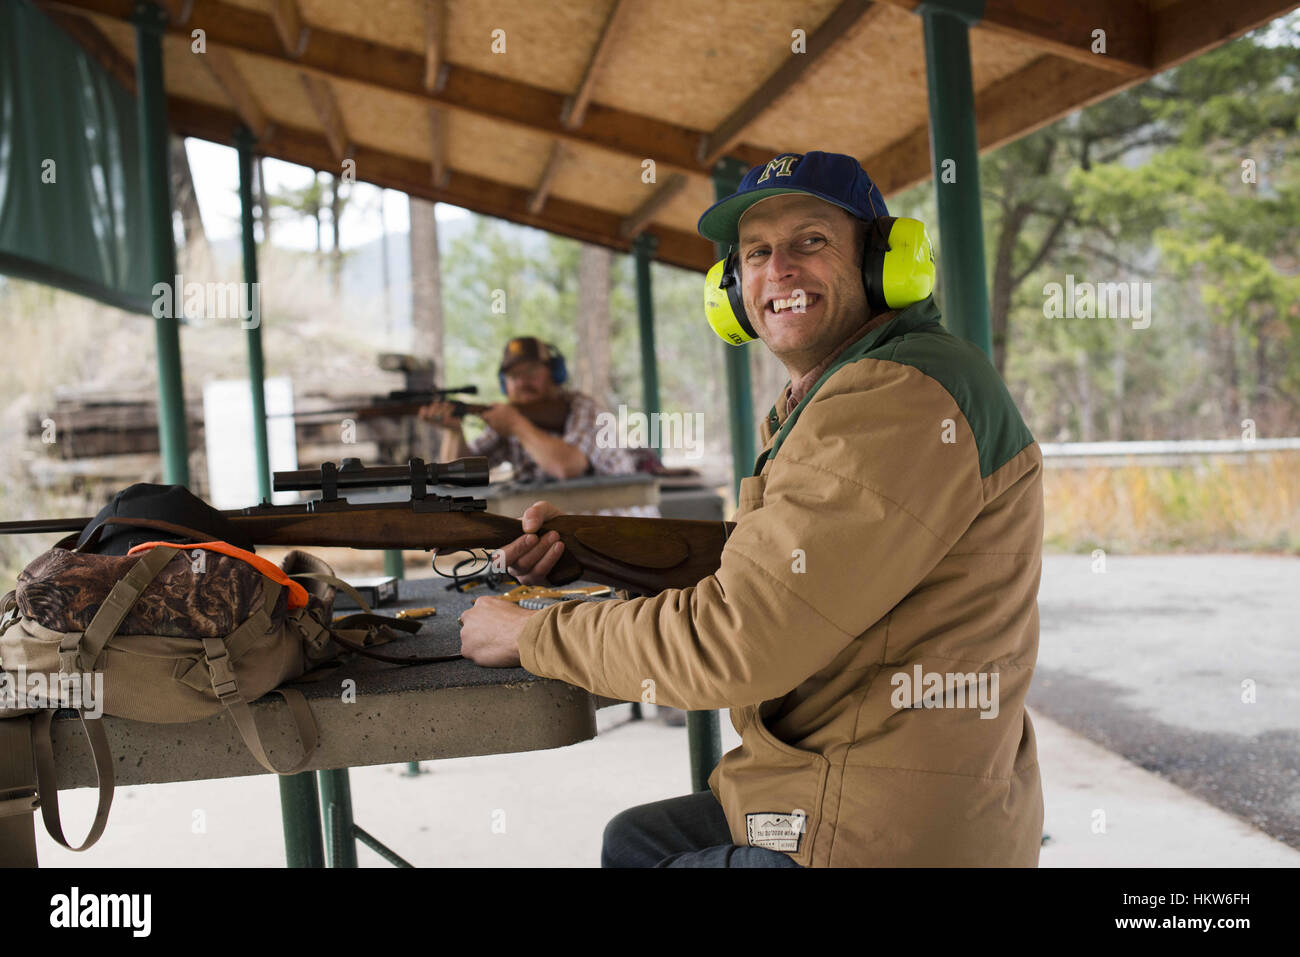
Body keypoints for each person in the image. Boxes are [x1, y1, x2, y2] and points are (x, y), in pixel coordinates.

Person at [457, 151, 1045, 867]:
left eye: (811, 242)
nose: (780, 270)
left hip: (877, 827)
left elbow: (739, 640)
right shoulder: (849, 388)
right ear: (733, 290)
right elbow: (781, 562)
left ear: (880, 262)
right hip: (860, 774)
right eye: (757, 254)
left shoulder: (892, 395)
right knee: (636, 838)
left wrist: (534, 634)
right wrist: (587, 554)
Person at [419, 337, 633, 484]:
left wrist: (516, 425)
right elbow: (459, 476)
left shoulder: (583, 407)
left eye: (531, 371)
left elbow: (567, 466)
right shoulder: (510, 417)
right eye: (513, 377)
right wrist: (454, 432)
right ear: (505, 385)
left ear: (554, 375)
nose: (522, 382)